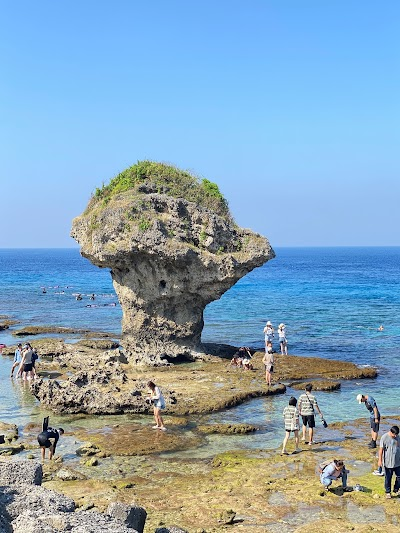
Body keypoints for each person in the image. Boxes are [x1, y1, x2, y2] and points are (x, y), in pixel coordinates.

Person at [377, 425, 400, 498]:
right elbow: (381, 450)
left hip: (397, 461)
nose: (395, 436)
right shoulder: (384, 437)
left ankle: (396, 488)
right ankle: (388, 492)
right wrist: (380, 460)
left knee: (399, 476)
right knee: (388, 478)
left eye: (396, 435)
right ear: (391, 432)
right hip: (388, 462)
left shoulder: (398, 437)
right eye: (394, 434)